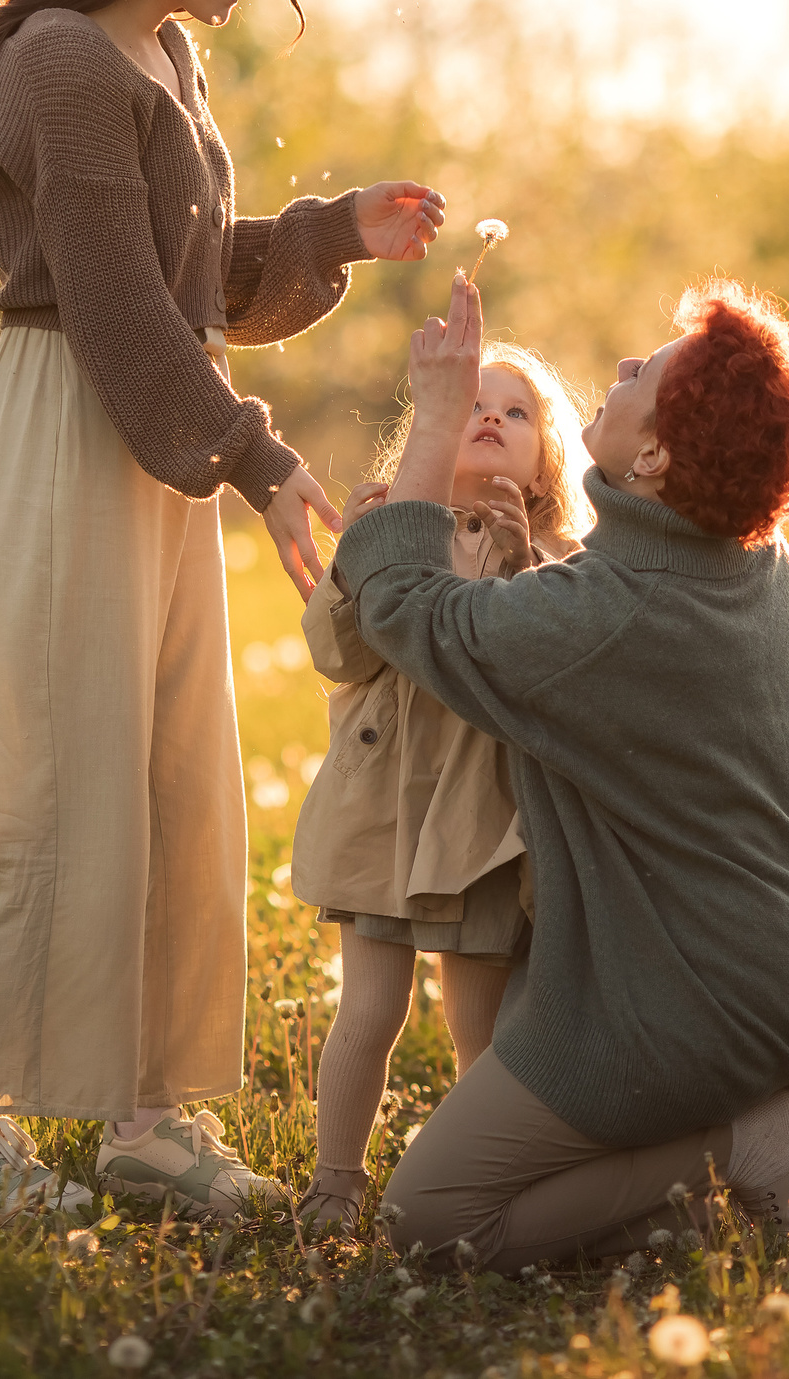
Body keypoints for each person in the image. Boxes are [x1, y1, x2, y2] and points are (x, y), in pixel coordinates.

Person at [0, 0, 446, 1222]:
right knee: (58, 775)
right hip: (83, 418)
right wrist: (256, 456)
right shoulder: (62, 62)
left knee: (172, 772)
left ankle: (149, 1118)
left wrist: (335, 234)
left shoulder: (170, 59)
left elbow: (197, 290)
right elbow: (118, 309)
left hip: (159, 431)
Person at [324, 272, 789, 1273]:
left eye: (642, 372)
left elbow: (408, 608)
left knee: (435, 1214)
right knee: (518, 1163)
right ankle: (735, 1128)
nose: (619, 367)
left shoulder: (608, 615)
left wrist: (437, 421)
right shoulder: (748, 546)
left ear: (655, 455)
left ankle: (751, 1146)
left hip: (689, 992)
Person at [289, 343, 597, 1230]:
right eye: (473, 402)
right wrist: (358, 560)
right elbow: (335, 653)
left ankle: (484, 1174)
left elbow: (551, 662)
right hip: (381, 810)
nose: (492, 416)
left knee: (481, 1024)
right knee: (370, 1009)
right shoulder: (398, 525)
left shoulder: (558, 554)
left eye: (519, 409)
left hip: (481, 823)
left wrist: (519, 559)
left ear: (549, 459)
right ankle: (336, 1179)